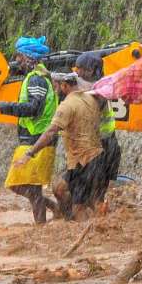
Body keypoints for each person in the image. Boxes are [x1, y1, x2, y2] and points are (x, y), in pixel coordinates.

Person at [16, 72, 109, 221]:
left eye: (56, 86)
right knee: (60, 187)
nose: (55, 89)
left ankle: (82, 228)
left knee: (79, 206)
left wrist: (30, 152)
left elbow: (51, 131)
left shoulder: (67, 105)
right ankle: (74, 220)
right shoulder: (91, 99)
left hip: (83, 160)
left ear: (64, 85)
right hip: (96, 156)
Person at [0, 36, 58, 224]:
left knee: (23, 184)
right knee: (26, 185)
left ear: (29, 57)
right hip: (35, 137)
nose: (17, 60)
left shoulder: (36, 79)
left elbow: (33, 108)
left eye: (19, 57)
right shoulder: (39, 76)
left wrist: (7, 107)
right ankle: (51, 214)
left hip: (37, 138)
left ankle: (44, 221)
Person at [75, 52, 121, 199]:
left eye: (80, 69)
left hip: (102, 147)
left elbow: (93, 106)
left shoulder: (101, 90)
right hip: (104, 145)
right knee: (92, 194)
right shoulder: (101, 85)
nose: (77, 72)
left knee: (94, 194)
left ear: (90, 71)